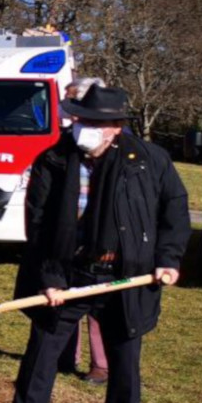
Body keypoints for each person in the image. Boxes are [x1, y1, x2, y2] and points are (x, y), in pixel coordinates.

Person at [11, 85, 188, 403]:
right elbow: (37, 224)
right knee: (42, 353)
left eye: (93, 123)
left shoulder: (148, 160)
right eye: (80, 120)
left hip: (126, 274)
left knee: (124, 365)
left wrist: (168, 258)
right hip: (69, 271)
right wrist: (51, 277)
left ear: (116, 128)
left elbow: (174, 207)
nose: (83, 129)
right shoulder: (53, 159)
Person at [56, 76, 110, 384]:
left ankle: (101, 364)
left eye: (75, 105)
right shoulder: (65, 144)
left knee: (98, 305)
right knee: (63, 296)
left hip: (102, 240)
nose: (70, 115)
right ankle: (64, 355)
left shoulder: (117, 144)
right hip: (68, 236)